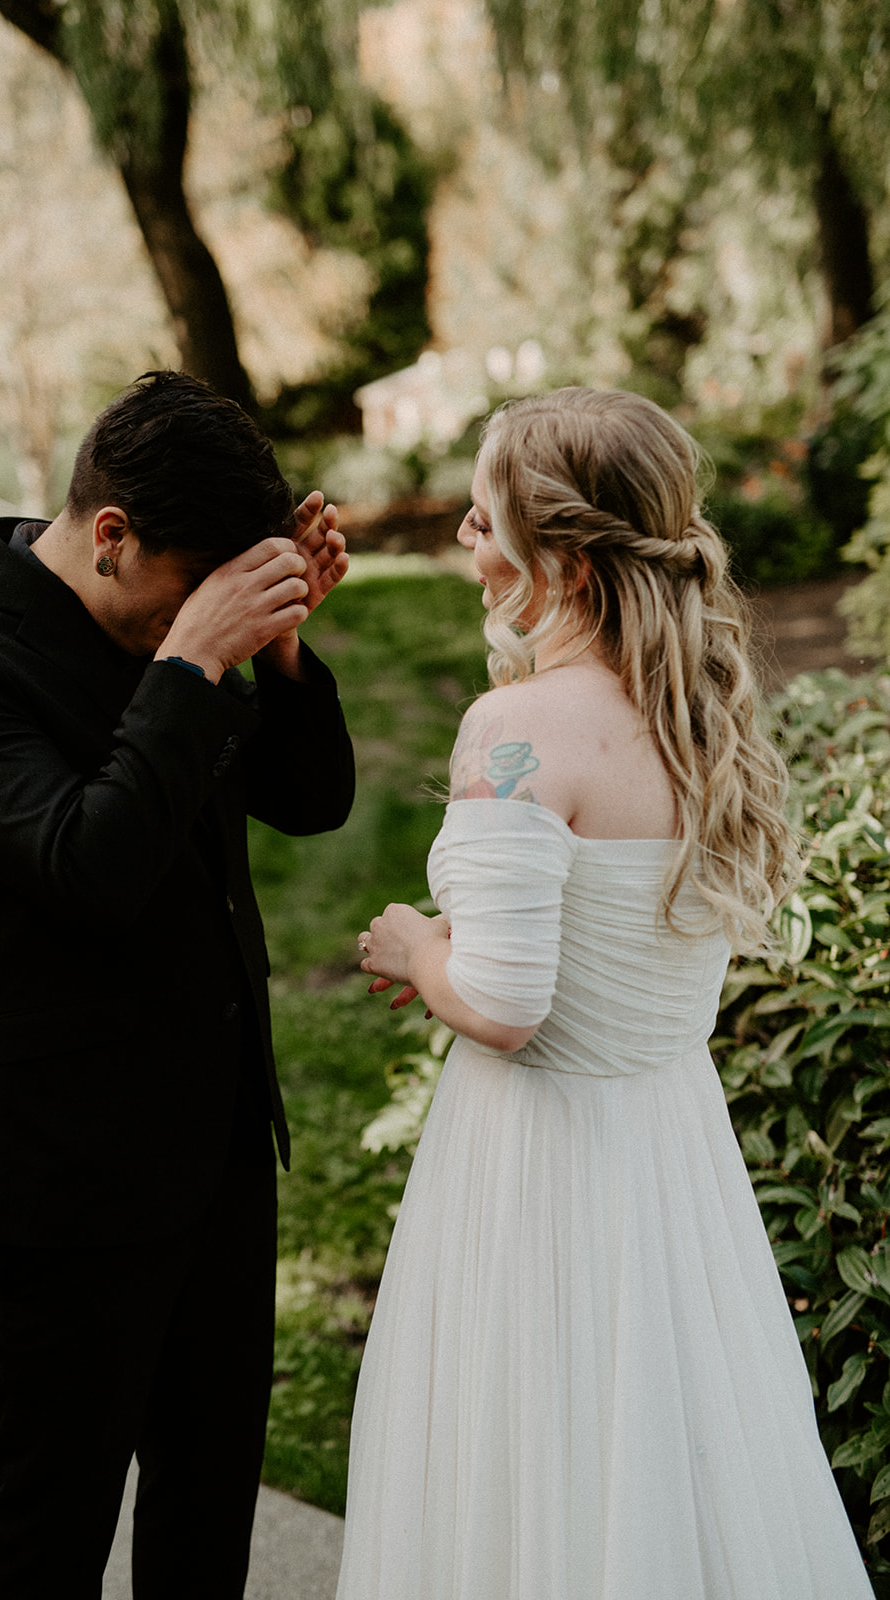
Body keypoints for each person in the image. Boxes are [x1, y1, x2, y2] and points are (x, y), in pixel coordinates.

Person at [340, 386, 874, 1600]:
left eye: (482, 524)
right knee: (668, 1452)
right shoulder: (698, 725)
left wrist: (415, 947)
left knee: (530, 1456)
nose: (463, 546)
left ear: (567, 565)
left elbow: (508, 1002)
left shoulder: (516, 729)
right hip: (671, 1154)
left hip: (539, 1169)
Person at [0, 370, 355, 1600]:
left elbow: (310, 803)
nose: (200, 621)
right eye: (191, 589)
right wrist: (191, 665)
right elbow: (89, 868)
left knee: (208, 1507)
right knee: (53, 1515)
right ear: (109, 534)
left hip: (219, 1148)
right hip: (59, 1170)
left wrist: (280, 650)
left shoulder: (174, 629)